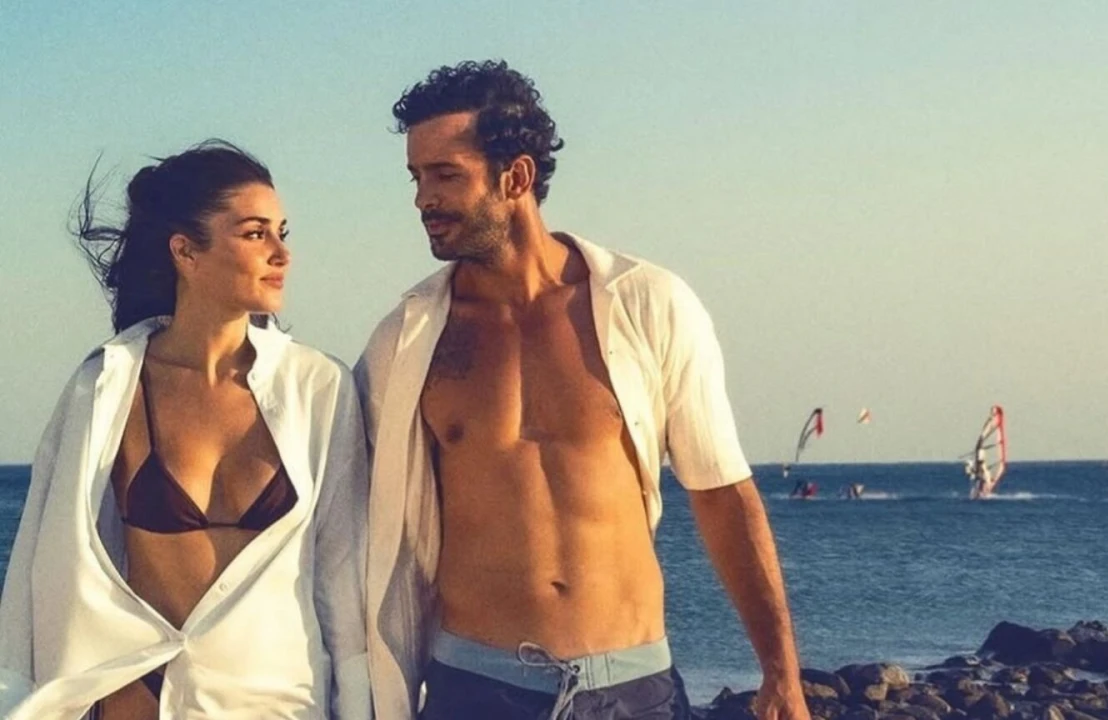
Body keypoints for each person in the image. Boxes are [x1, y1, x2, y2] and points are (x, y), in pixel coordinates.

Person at [359, 61, 810, 720]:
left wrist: (782, 675)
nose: (423, 199)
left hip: (634, 691)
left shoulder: (648, 305)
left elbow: (722, 493)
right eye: (417, 177)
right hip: (474, 688)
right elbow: (347, 517)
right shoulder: (405, 341)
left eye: (445, 175)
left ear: (516, 178)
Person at [0, 141, 372, 720]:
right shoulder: (109, 385)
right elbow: (40, 568)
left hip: (277, 703)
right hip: (141, 697)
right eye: (255, 234)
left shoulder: (318, 387)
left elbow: (342, 578)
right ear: (185, 251)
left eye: (282, 233)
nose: (281, 253)